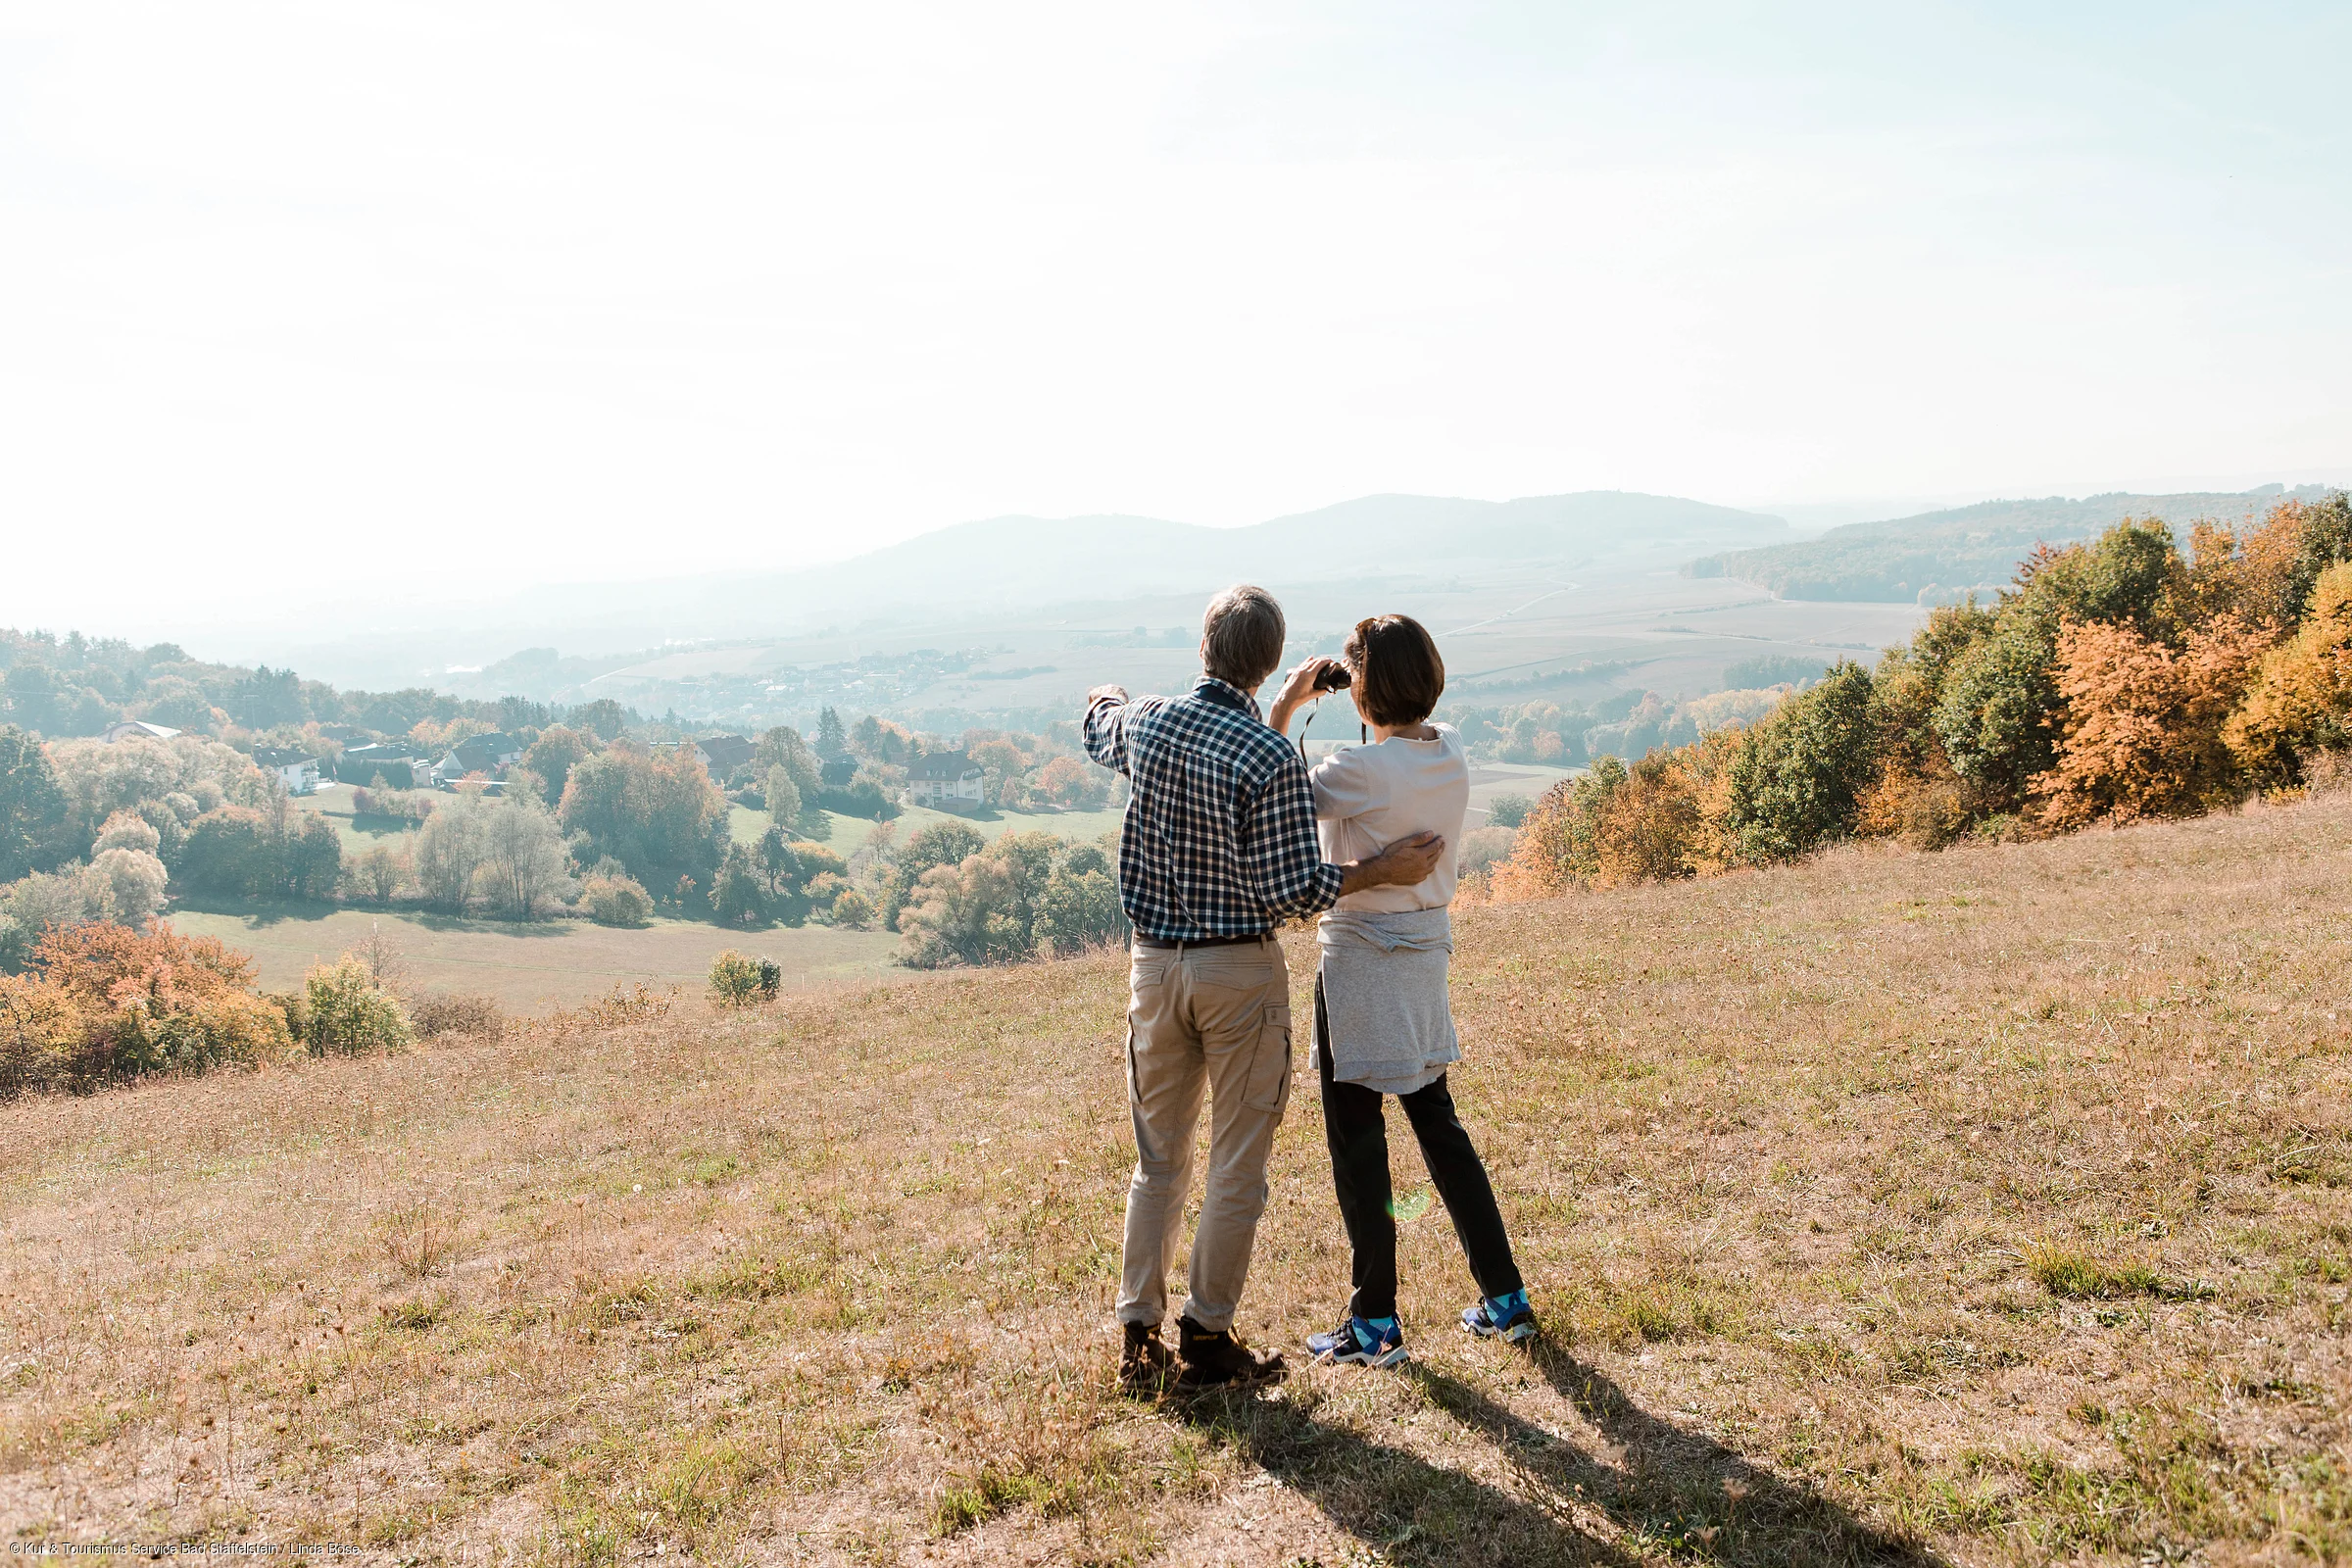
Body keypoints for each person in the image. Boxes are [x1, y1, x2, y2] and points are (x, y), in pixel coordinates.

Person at [1085, 585, 1446, 1392]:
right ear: (1272, 661)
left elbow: (1099, 724)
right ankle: (1207, 1340)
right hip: (1238, 973)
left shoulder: (1146, 722)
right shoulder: (1267, 756)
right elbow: (1290, 892)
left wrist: (1105, 696)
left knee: (1158, 1160)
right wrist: (1378, 870)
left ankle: (1137, 1331)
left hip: (1153, 969)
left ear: (1204, 646)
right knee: (1235, 1166)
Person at [1266, 613, 1534, 1369]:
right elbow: (1390, 752)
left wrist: (1288, 706)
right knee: (1440, 1129)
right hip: (1423, 957)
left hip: (1357, 960)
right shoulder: (1449, 753)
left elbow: (1283, 795)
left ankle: (1376, 1321)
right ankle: (1505, 1297)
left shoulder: (1362, 772)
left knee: (1357, 1142)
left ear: (1363, 693)